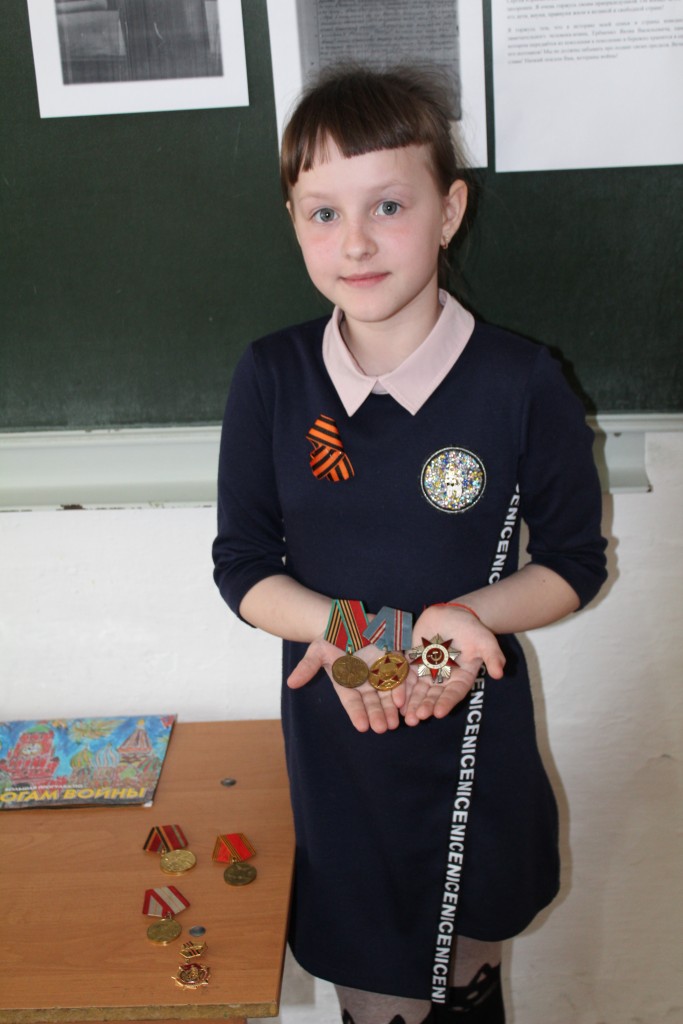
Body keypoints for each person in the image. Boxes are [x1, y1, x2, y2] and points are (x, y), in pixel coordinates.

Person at [212, 66, 607, 1024]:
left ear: (448, 211)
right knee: (376, 988)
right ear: (293, 221)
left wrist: (457, 623)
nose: (354, 242)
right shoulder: (271, 376)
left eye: (388, 205)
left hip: (470, 719)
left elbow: (572, 562)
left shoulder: (521, 381)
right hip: (341, 737)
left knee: (470, 978)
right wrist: (356, 634)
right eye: (322, 213)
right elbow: (243, 567)